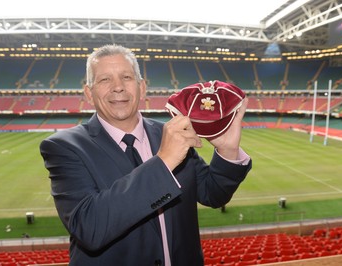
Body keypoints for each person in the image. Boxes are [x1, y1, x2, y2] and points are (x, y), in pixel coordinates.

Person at [40, 44, 252, 266]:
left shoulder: (170, 133)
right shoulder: (63, 146)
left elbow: (213, 194)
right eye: (104, 80)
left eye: (127, 77)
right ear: (88, 93)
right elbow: (90, 228)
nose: (118, 87)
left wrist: (227, 150)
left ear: (142, 87)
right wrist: (164, 162)